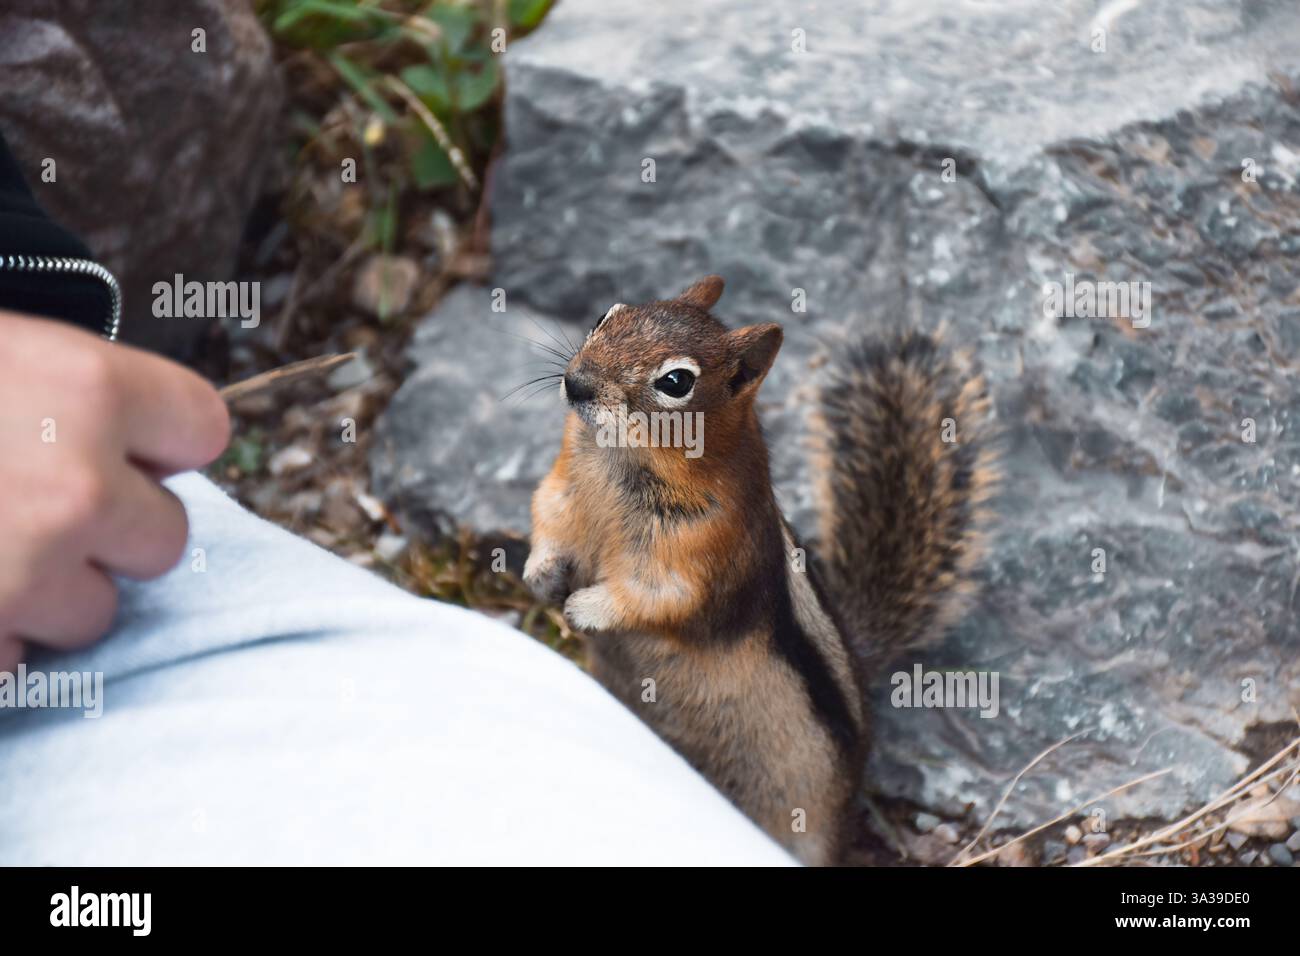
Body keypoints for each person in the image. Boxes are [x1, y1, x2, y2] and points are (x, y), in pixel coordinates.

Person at [0, 131, 791, 865]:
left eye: (673, 386)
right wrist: (559, 549)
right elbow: (565, 501)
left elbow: (694, 589)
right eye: (601, 332)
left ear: (739, 383)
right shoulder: (602, 437)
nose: (579, 382)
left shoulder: (715, 497)